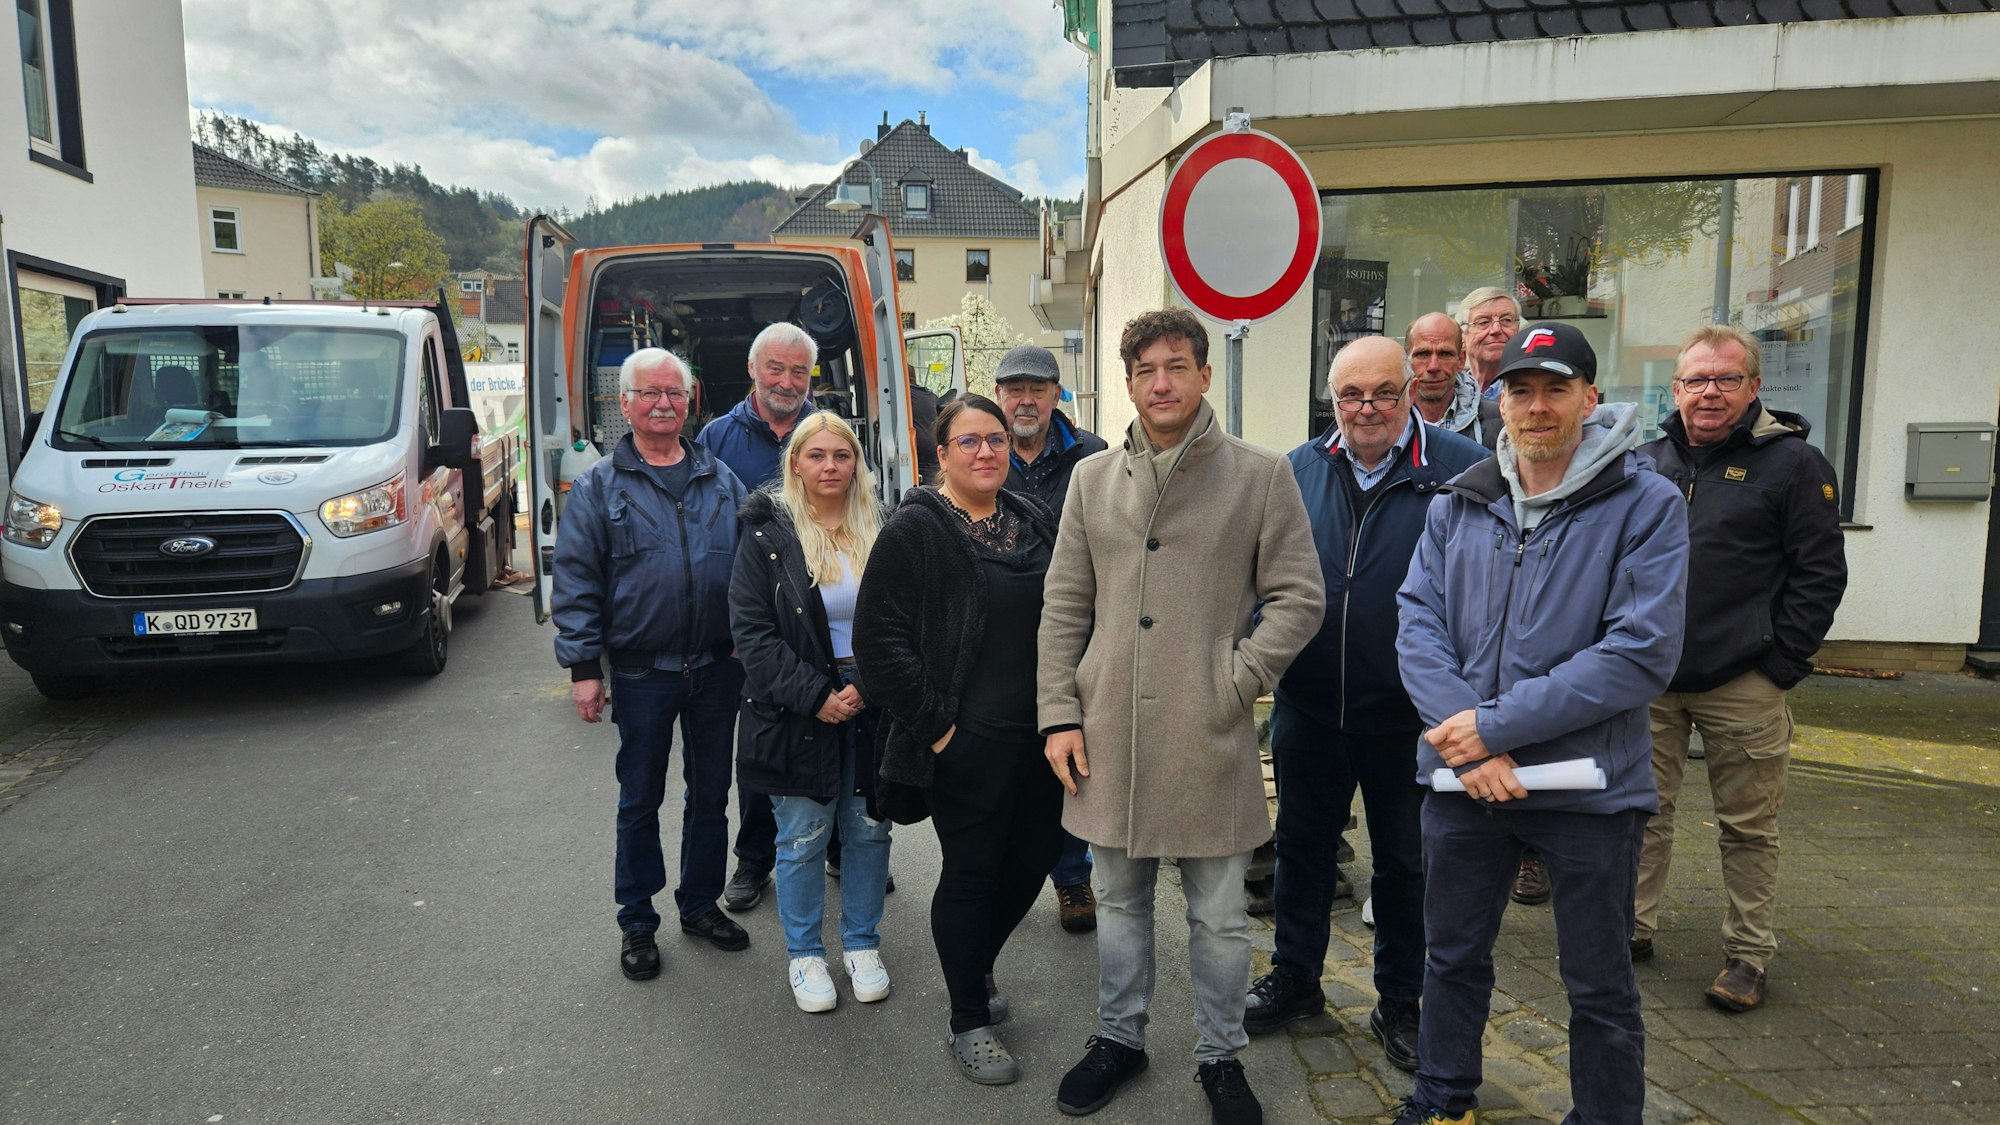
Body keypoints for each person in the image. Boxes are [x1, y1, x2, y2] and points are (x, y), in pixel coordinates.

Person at [1393, 322, 1689, 1125]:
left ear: (1590, 399)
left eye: (1555, 388)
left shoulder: (1646, 502)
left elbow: (1640, 653)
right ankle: (1443, 1097)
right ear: (1498, 401)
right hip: (1465, 783)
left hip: (1587, 786)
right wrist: (1466, 735)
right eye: (1519, 389)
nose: (1535, 406)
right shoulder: (1464, 499)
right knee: (1451, 958)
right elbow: (1417, 619)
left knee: (1597, 982)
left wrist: (1490, 728)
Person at [1038, 309, 1324, 1125]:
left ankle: (1220, 1055)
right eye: (1144, 370)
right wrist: (1059, 711)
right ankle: (1119, 1039)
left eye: (1175, 365)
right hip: (1108, 732)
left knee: (1222, 916)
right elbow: (1065, 603)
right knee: (1120, 901)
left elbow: (1299, 598)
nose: (1160, 382)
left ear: (1203, 373)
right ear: (1127, 383)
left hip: (1210, 729)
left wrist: (1237, 679)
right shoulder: (1090, 480)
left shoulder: (1260, 474)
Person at [1244, 337, 1487, 1076]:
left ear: (1411, 389)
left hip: (1412, 715)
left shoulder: (1458, 469)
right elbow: (1263, 575)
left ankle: (1401, 1000)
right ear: (1333, 398)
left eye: (1384, 391)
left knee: (1408, 865)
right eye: (1351, 395)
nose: (1367, 409)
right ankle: (1296, 978)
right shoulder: (1297, 468)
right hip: (1310, 705)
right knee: (1302, 851)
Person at [1631, 324, 1848, 1012]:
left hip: (1743, 680)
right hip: (1652, 679)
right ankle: (1629, 928)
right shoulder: (1643, 461)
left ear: (1755, 387)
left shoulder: (1793, 465)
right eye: (1696, 379)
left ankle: (1748, 954)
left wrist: (1783, 661)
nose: (1710, 392)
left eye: (1727, 379)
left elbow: (1821, 573)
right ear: (1676, 389)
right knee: (1641, 812)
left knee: (1749, 825)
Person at [853, 395, 1063, 1086]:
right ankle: (967, 1016)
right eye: (968, 441)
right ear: (940, 454)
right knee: (973, 872)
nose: (985, 452)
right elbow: (878, 644)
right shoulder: (916, 527)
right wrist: (941, 731)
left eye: (996, 439)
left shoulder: (1032, 516)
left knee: (1032, 863)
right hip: (964, 742)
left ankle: (972, 961)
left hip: (1041, 737)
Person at [552, 347, 753, 983]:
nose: (663, 404)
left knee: (711, 795)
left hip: (718, 668)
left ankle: (698, 904)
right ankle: (637, 920)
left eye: (675, 393)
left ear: (689, 403)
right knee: (639, 798)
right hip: (641, 672)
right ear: (626, 404)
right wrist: (584, 666)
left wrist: (756, 641)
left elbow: (752, 568)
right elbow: (576, 579)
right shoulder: (597, 488)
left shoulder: (722, 480)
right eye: (651, 394)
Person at [729, 412, 895, 1013]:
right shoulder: (766, 538)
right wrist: (816, 697)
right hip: (795, 704)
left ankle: (861, 944)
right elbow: (752, 634)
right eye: (817, 455)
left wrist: (868, 687)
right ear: (794, 463)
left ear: (857, 464)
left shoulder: (880, 527)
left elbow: (904, 620)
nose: (830, 466)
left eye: (842, 456)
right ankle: (804, 957)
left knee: (870, 829)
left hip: (871, 698)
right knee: (801, 835)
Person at [702, 322, 820, 914]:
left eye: (799, 371)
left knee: (838, 732)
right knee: (762, 746)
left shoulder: (828, 433)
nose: (786, 381)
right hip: (753, 622)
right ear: (753, 370)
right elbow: (706, 538)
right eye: (776, 368)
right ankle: (755, 859)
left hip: (823, 617)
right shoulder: (717, 438)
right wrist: (729, 630)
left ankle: (845, 848)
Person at [994, 342, 1110, 936]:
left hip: (1077, 632)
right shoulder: (983, 450)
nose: (1025, 400)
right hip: (1003, 635)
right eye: (1014, 389)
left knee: (1072, 758)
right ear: (998, 396)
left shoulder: (1093, 456)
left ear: (1056, 394)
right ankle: (1002, 876)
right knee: (1009, 758)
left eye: (1037, 388)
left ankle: (1072, 876)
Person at [1405, 312, 1485, 446]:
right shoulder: (1384, 418)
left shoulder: (1498, 421)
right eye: (1423, 354)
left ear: (1461, 360)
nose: (1433, 366)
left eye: (1445, 354)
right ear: (1406, 361)